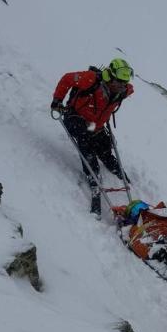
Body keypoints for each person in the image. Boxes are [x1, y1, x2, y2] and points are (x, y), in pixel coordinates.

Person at [51, 59, 134, 216]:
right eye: (118, 82)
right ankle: (93, 176)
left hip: (95, 125)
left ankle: (111, 164)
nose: (121, 86)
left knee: (104, 145)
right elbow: (67, 78)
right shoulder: (90, 79)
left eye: (124, 83)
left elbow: (131, 89)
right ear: (109, 76)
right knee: (85, 141)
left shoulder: (123, 91)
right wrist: (57, 100)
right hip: (75, 117)